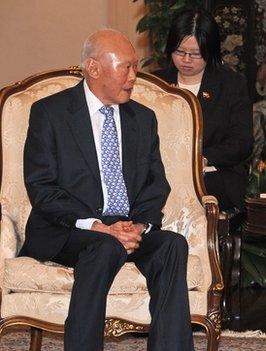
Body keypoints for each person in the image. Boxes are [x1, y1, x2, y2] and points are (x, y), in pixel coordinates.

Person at [20, 29, 193, 351]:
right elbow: (41, 187)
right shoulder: (51, 113)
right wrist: (99, 227)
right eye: (125, 67)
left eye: (135, 66)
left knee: (172, 245)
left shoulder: (142, 118)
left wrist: (139, 225)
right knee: (104, 246)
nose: (133, 76)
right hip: (71, 228)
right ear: (94, 68)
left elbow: (156, 183)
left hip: (127, 224)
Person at [155, 9, 253, 213]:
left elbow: (241, 143)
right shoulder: (155, 84)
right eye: (180, 52)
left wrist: (203, 158)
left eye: (196, 54)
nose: (186, 60)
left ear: (211, 51)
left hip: (213, 176)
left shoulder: (231, 84)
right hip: (162, 174)